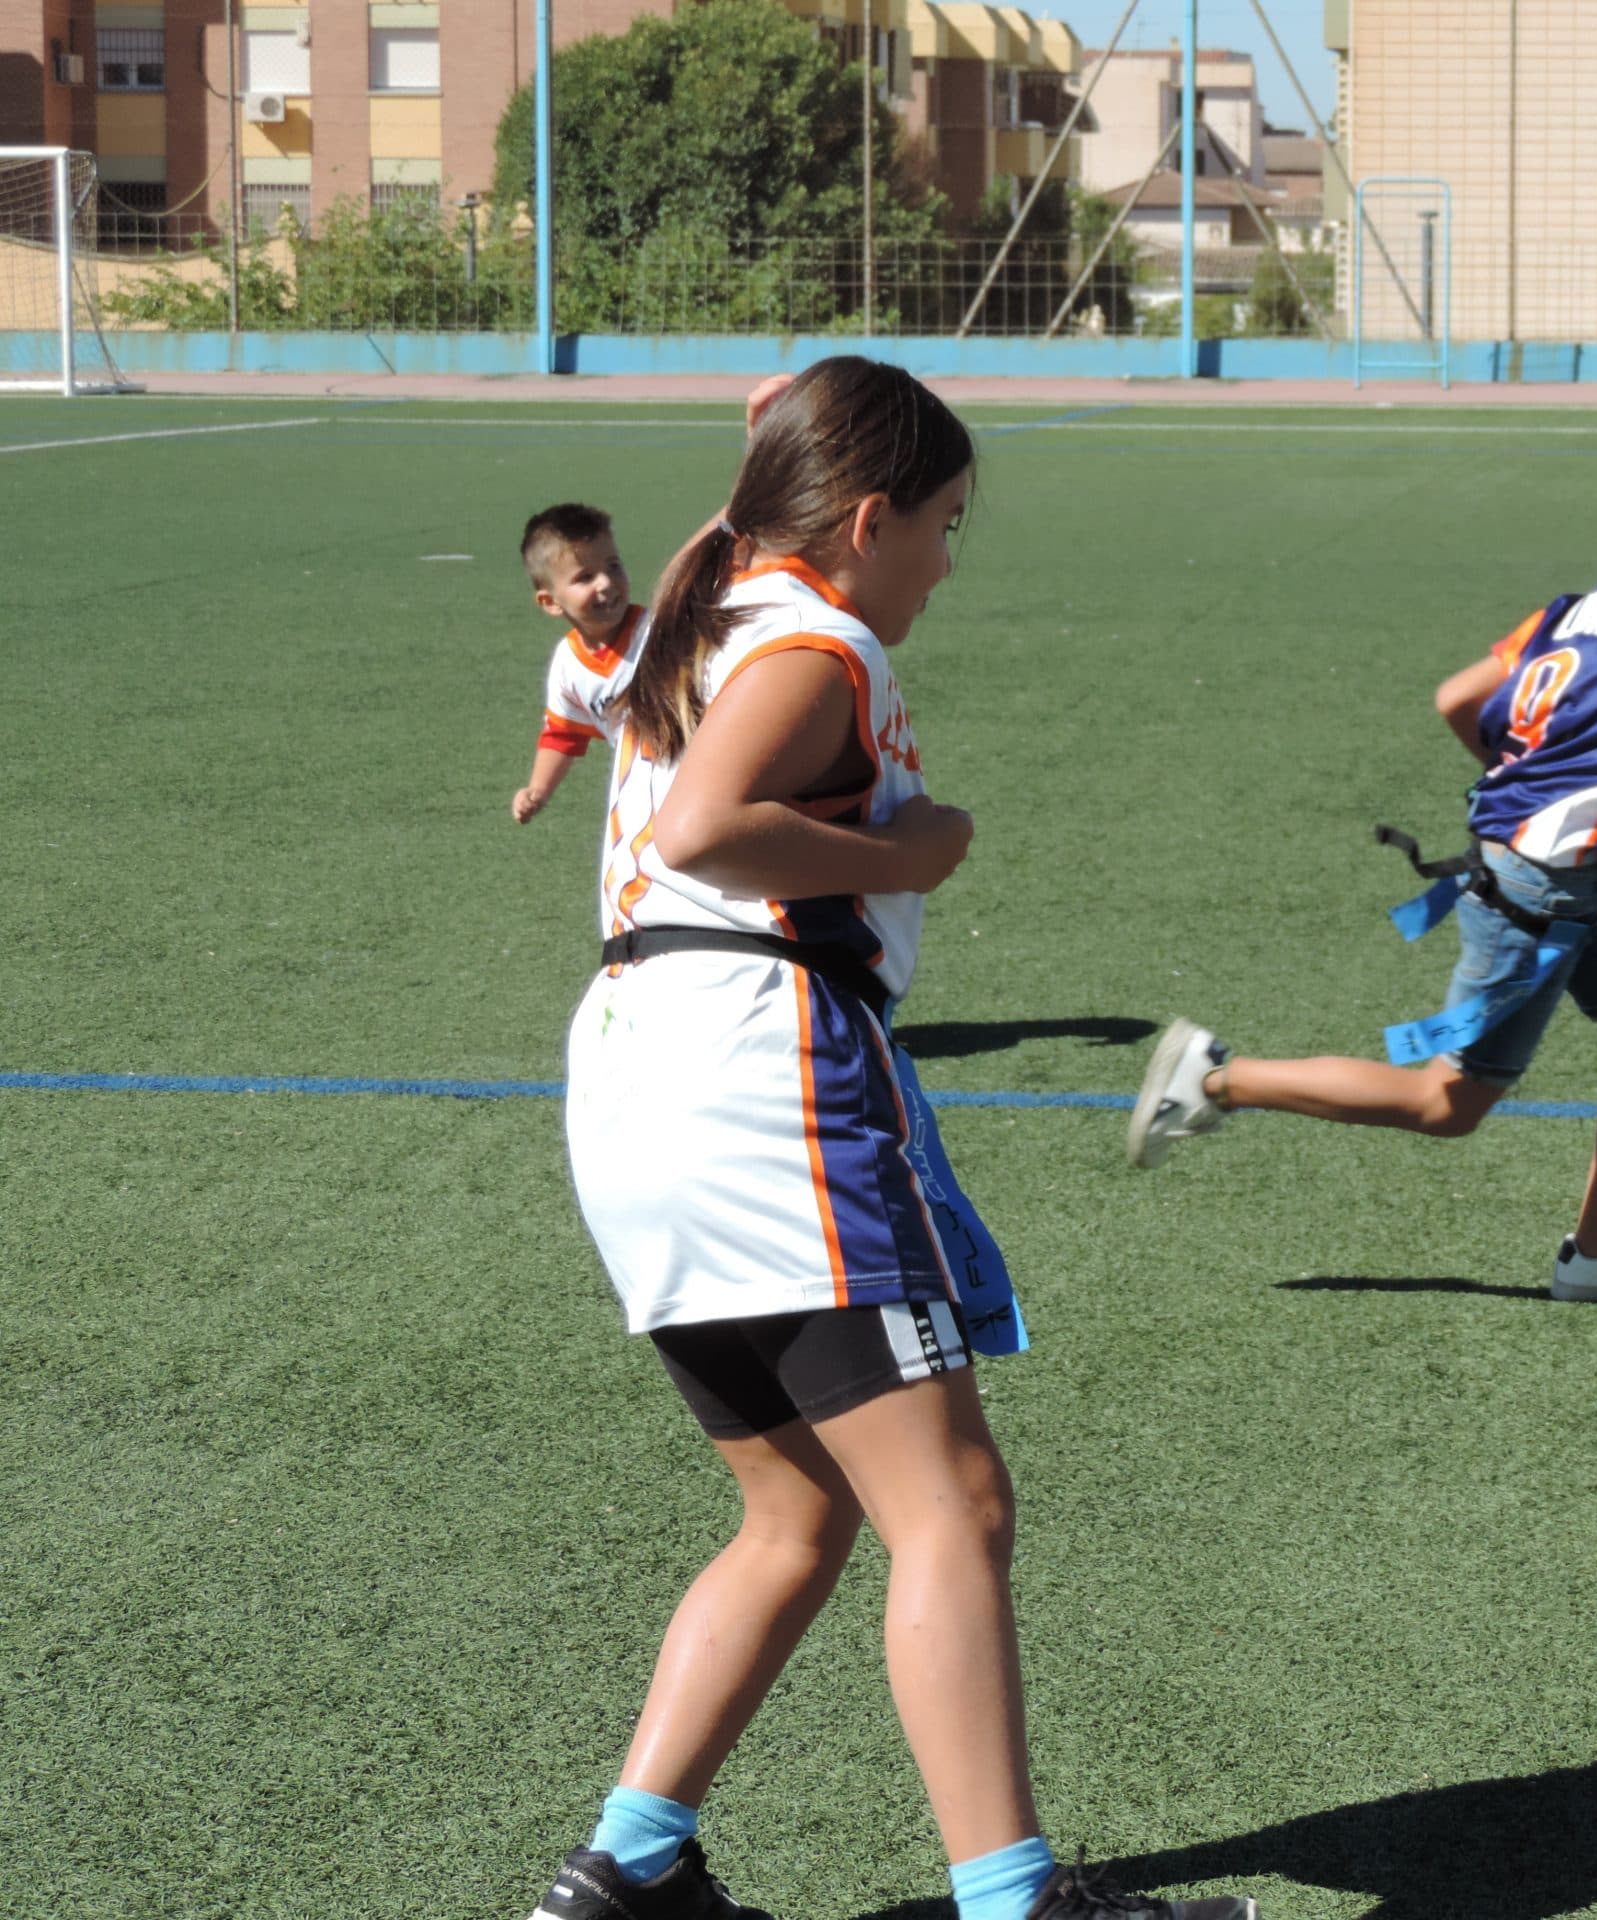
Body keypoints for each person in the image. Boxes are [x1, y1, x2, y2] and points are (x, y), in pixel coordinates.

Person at [542, 356, 1256, 1920]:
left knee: (797, 1510)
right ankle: (1013, 1903)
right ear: (866, 521)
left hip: (634, 1078)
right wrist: (917, 849)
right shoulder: (818, 638)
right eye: (941, 523)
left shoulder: (704, 599)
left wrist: (772, 432)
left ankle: (628, 1870)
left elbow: (739, 539)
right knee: (953, 1503)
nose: (945, 560)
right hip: (763, 1078)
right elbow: (706, 827)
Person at [1127, 421, 1597, 1305]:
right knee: (1446, 1102)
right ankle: (1214, 1078)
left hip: (1557, 872)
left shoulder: (1573, 609)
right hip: (1544, 887)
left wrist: (1523, 787)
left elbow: (1458, 697)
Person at [514, 502, 646, 825]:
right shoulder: (568, 664)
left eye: (613, 566)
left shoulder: (661, 634)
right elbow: (563, 733)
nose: (606, 583)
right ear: (550, 602)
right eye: (585, 577)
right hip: (640, 791)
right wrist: (537, 790)